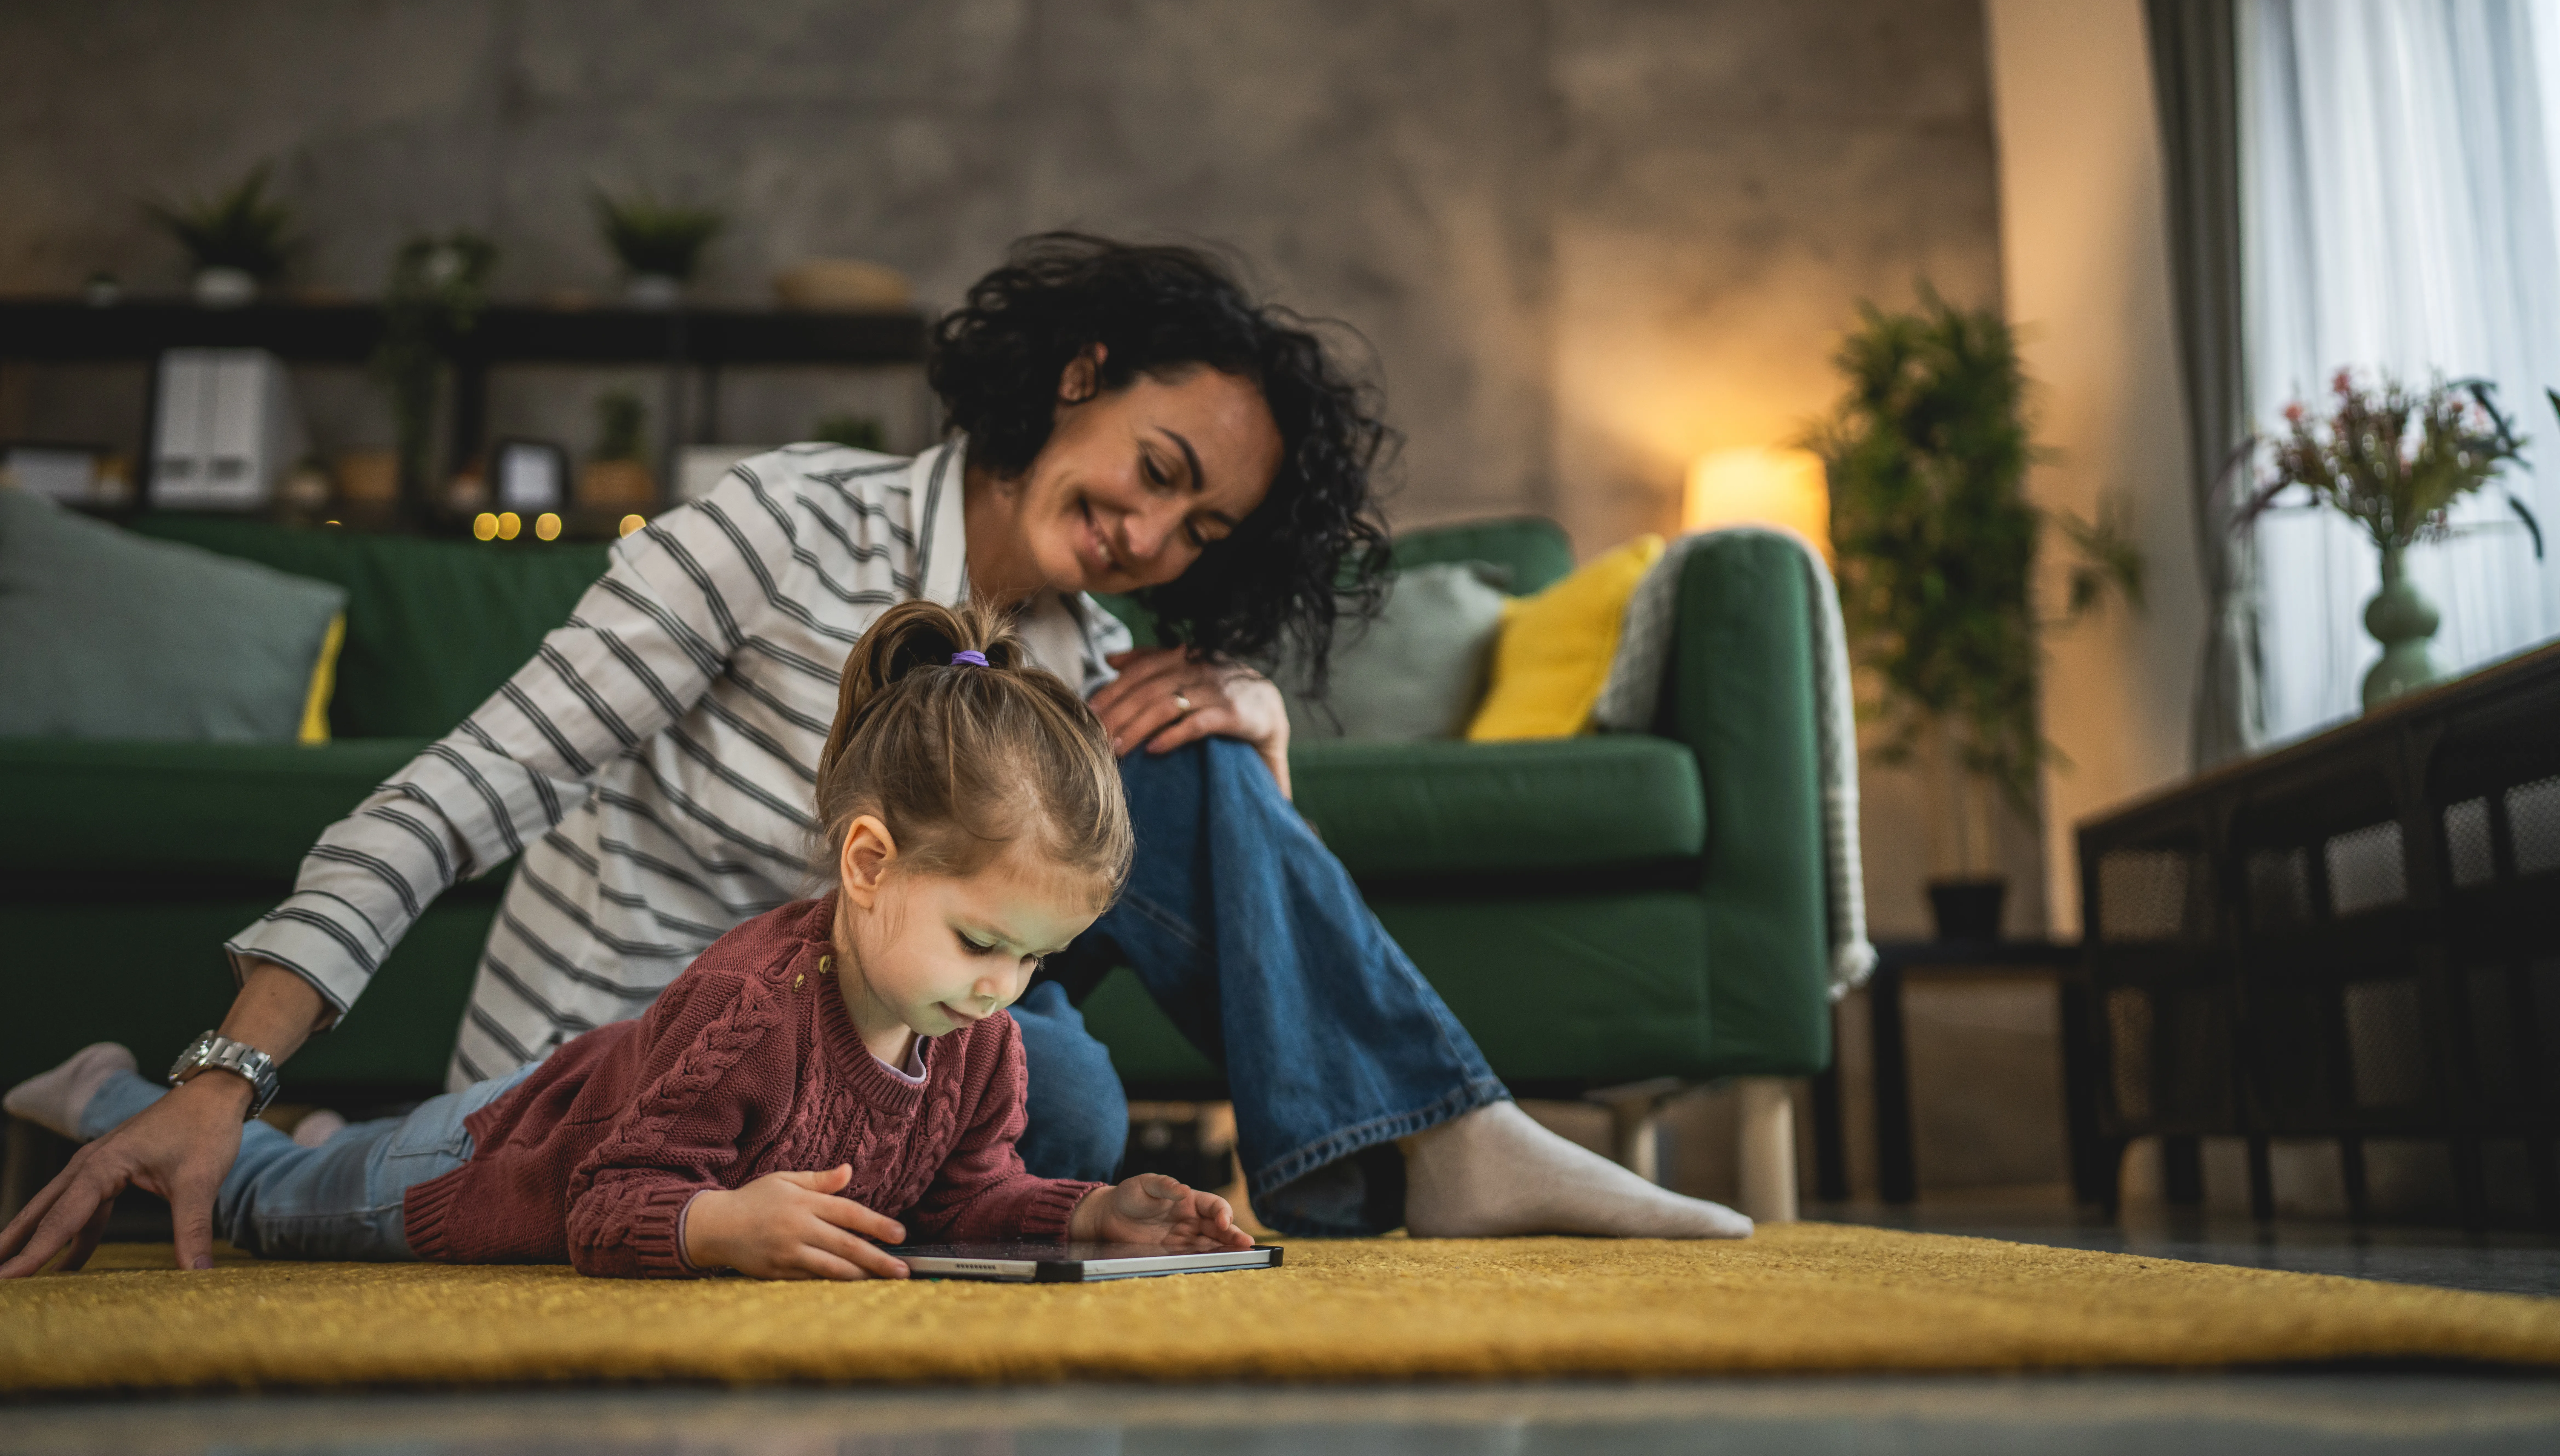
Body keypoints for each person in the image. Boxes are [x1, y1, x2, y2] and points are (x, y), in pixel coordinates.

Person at [0, 234, 1747, 1281]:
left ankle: (1437, 1143)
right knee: (1060, 1091)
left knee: (1162, 832)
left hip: (885, 1085)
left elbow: (1209, 916)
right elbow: (465, 786)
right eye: (1149, 462)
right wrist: (223, 1070)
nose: (1150, 526)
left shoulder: (1089, 664)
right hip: (623, 1093)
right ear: (1073, 375)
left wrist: (1258, 737)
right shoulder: (774, 528)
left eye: (1196, 524)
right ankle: (267, 1127)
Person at [1, 601, 1252, 1277]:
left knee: (323, 1159)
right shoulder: (754, 1009)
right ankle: (103, 1092)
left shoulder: (981, 1039)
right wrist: (718, 1227)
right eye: (985, 939)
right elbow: (607, 1203)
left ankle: (329, 1136)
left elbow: (964, 1195)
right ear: (869, 864)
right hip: (493, 1162)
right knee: (272, 1204)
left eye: (1035, 956)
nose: (1004, 988)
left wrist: (1090, 1217)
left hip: (567, 1103)